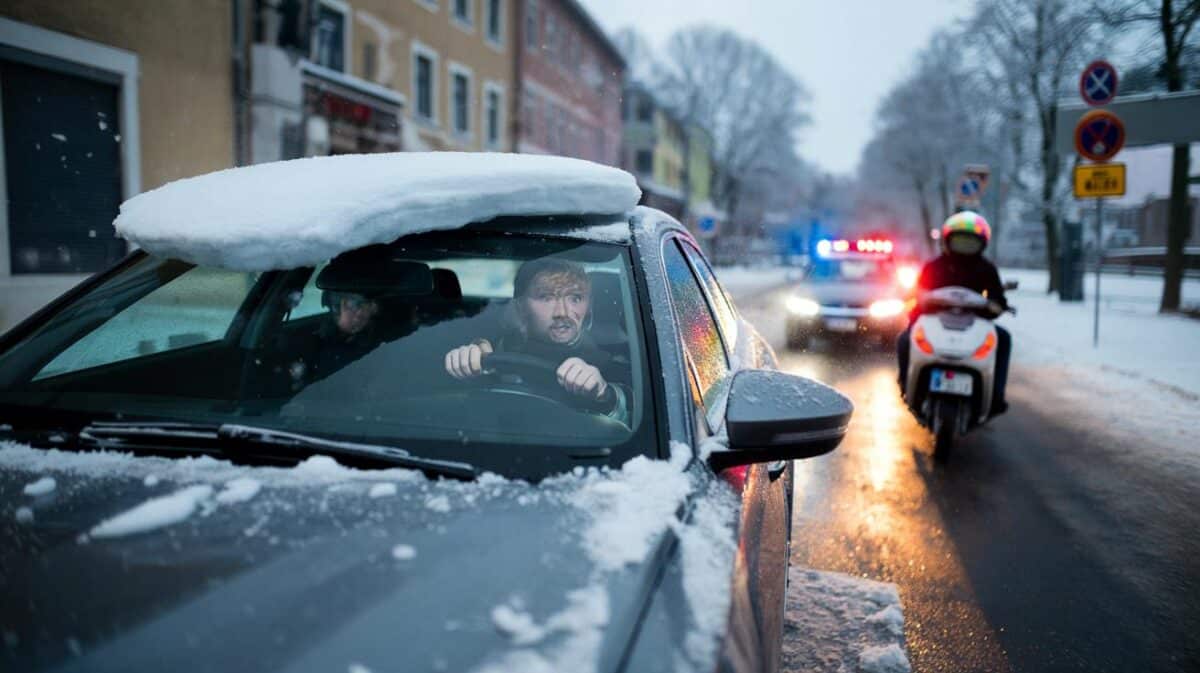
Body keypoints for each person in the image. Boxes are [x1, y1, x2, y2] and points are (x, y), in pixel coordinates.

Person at [443, 257, 629, 424]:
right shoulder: (489, 349)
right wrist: (465, 365)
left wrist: (605, 395)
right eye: (546, 297)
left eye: (575, 298)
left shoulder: (611, 362)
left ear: (589, 306)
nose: (562, 312)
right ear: (520, 307)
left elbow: (634, 420)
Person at [897, 210, 1011, 415]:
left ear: (982, 243)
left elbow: (998, 300)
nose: (965, 246)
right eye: (960, 240)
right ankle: (906, 383)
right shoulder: (933, 266)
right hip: (934, 321)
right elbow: (917, 293)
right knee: (905, 339)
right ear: (947, 240)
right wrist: (918, 304)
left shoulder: (987, 269)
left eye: (970, 241)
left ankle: (996, 396)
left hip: (973, 323)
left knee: (1003, 338)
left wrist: (995, 306)